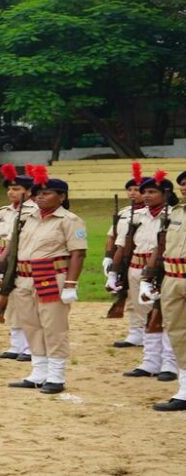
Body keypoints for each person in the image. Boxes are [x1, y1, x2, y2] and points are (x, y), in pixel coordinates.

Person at [4, 166, 87, 394]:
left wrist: (71, 284)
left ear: (62, 196)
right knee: (31, 325)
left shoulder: (69, 220)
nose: (40, 197)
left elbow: (78, 253)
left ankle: (56, 375)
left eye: (47, 193)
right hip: (25, 277)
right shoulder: (27, 218)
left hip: (51, 276)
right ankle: (38, 372)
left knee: (54, 327)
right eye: (37, 193)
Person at [124, 171, 179, 381]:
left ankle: (170, 363)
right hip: (137, 268)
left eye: (151, 192)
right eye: (144, 191)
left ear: (165, 194)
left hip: (162, 270)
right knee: (145, 315)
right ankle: (150, 361)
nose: (145, 195)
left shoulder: (173, 215)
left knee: (165, 316)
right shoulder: (138, 216)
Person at [0, 164, 37, 362]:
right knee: (9, 300)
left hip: (21, 257)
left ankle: (31, 347)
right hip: (2, 257)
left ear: (29, 192)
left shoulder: (33, 211)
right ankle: (16, 345)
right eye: (10, 188)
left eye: (17, 189)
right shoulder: (4, 211)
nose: (11, 192)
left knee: (25, 301)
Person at [152, 170, 186, 410]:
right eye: (182, 185)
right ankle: (185, 390)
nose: (184, 188)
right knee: (178, 333)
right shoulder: (176, 213)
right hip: (173, 278)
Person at [107, 163, 147, 348]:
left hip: (141, 258)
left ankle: (149, 332)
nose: (133, 193)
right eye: (129, 189)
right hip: (124, 259)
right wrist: (109, 257)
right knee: (129, 296)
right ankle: (135, 332)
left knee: (145, 299)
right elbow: (113, 236)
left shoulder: (148, 214)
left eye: (137, 189)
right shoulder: (124, 213)